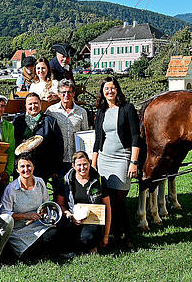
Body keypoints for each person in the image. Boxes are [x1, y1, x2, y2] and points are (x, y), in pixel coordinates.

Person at [92, 76, 140, 251]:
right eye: (106, 88)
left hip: (122, 159)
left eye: (112, 88)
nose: (109, 91)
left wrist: (133, 162)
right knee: (108, 201)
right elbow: (98, 139)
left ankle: (126, 237)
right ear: (102, 92)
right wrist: (94, 164)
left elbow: (136, 136)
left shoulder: (127, 109)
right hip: (104, 160)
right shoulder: (101, 111)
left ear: (117, 90)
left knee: (119, 201)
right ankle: (112, 235)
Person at [0, 154, 58, 258]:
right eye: (22, 166)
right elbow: (5, 214)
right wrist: (26, 216)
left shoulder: (40, 182)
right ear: (17, 170)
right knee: (32, 252)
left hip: (39, 225)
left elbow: (46, 204)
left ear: (33, 167)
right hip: (19, 231)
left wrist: (47, 217)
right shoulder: (11, 189)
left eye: (28, 166)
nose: (26, 169)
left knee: (55, 232)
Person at [55, 151, 112, 254]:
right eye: (79, 165)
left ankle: (83, 246)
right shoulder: (65, 181)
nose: (82, 168)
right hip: (72, 219)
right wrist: (70, 215)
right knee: (59, 235)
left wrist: (106, 236)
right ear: (73, 166)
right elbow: (60, 205)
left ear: (89, 163)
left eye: (85, 164)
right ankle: (82, 248)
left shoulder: (99, 181)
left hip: (92, 221)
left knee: (89, 237)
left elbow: (107, 208)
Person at [12, 93, 63, 183]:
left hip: (43, 167)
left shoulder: (50, 122)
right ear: (25, 106)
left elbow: (58, 146)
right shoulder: (18, 121)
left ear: (40, 104)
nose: (33, 106)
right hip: (22, 167)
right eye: (30, 104)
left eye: (36, 103)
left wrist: (55, 168)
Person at [45, 79, 90, 182]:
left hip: (76, 160)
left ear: (73, 93)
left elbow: (85, 135)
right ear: (58, 94)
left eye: (69, 92)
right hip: (58, 160)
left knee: (75, 190)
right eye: (63, 92)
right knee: (59, 191)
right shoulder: (51, 111)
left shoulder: (82, 112)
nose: (66, 95)